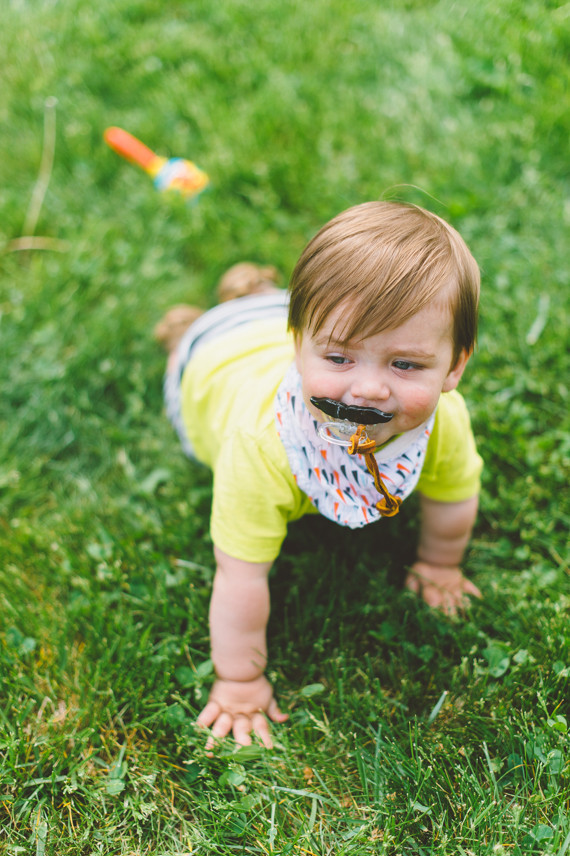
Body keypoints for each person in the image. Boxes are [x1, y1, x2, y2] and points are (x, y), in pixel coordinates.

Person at [156, 201, 483, 749]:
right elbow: (240, 576)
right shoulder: (261, 446)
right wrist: (239, 682)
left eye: (404, 364)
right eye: (339, 360)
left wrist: (439, 565)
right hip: (217, 360)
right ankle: (190, 327)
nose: (369, 390)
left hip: (278, 322)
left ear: (454, 366)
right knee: (193, 344)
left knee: (287, 314)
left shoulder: (444, 421)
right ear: (298, 347)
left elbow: (455, 492)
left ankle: (256, 295)